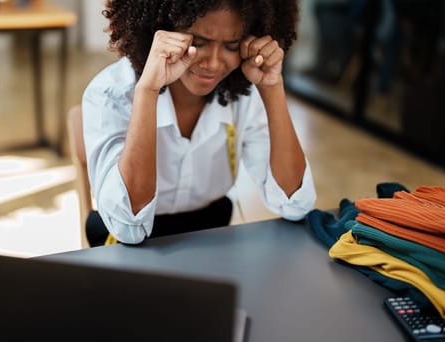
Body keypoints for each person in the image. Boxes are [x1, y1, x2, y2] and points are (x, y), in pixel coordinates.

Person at [82, 0, 316, 246]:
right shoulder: (111, 94)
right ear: (160, 31)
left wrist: (272, 88)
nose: (213, 63)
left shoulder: (245, 95)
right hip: (125, 245)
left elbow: (295, 206)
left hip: (210, 232)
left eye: (232, 45)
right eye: (198, 42)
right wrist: (148, 91)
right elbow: (128, 228)